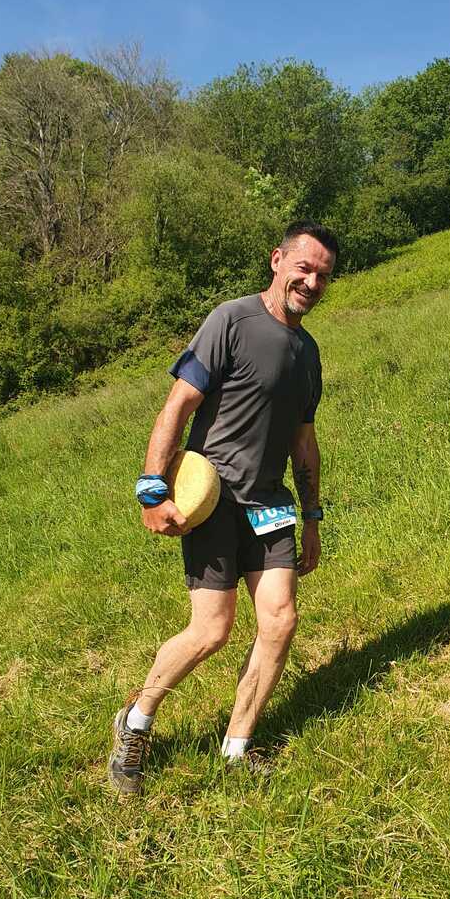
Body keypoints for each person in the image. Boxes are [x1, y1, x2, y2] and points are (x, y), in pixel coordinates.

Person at [108, 221, 338, 793]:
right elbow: (178, 404)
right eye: (303, 268)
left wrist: (311, 517)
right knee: (211, 630)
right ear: (277, 261)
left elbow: (303, 441)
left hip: (271, 506)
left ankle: (237, 746)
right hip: (213, 501)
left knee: (280, 621)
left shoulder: (308, 353)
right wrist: (151, 488)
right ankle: (136, 721)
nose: (311, 282)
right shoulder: (230, 321)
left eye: (322, 275)